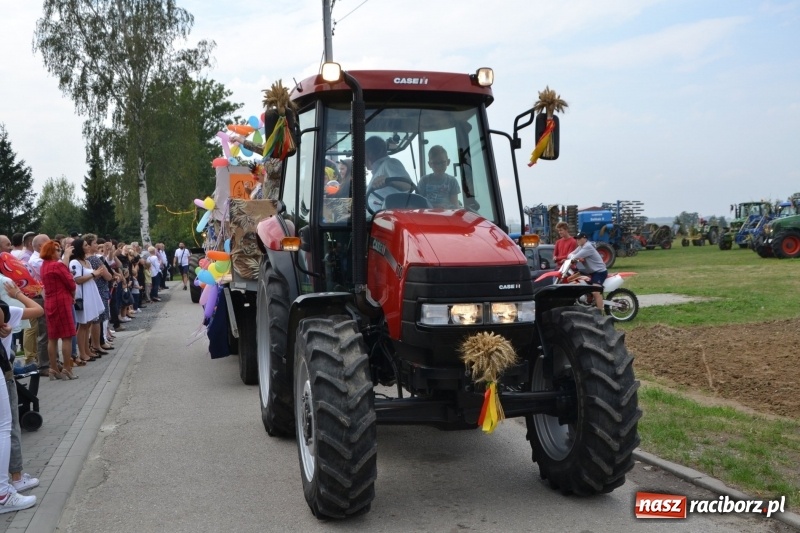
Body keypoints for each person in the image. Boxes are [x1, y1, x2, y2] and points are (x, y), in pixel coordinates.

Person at [1, 281, 43, 494]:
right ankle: (16, 477)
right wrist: (17, 294)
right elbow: (38, 310)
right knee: (9, 427)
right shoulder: (7, 310)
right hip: (4, 371)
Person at [40, 240, 78, 380]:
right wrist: (72, 296)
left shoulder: (44, 266)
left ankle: (53, 368)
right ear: (50, 251)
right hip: (62, 301)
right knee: (67, 336)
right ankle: (67, 368)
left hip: (49, 301)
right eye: (57, 250)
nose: (60, 251)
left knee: (52, 337)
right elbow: (71, 284)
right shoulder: (57, 265)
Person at [69, 238, 105, 364]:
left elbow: (90, 277)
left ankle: (87, 350)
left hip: (91, 293)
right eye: (85, 245)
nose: (88, 246)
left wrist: (97, 274)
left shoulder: (86, 261)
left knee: (88, 323)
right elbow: (77, 279)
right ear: (80, 247)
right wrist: (94, 274)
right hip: (83, 295)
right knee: (83, 325)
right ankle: (82, 353)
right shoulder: (75, 262)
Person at [568, 232, 608, 310]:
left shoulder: (587, 247)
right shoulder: (581, 247)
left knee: (595, 292)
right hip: (591, 272)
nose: (577, 240)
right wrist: (575, 258)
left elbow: (574, 257)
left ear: (585, 239)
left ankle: (600, 312)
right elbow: (570, 255)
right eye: (576, 239)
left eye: (579, 238)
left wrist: (575, 258)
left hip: (599, 272)